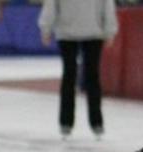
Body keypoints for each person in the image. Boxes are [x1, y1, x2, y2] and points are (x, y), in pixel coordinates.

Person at [38, 0, 118, 138]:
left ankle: (75, 122)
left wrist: (46, 27)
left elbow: (107, 4)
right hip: (77, 32)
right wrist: (46, 27)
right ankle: (87, 122)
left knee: (77, 76)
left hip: (86, 32)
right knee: (85, 77)